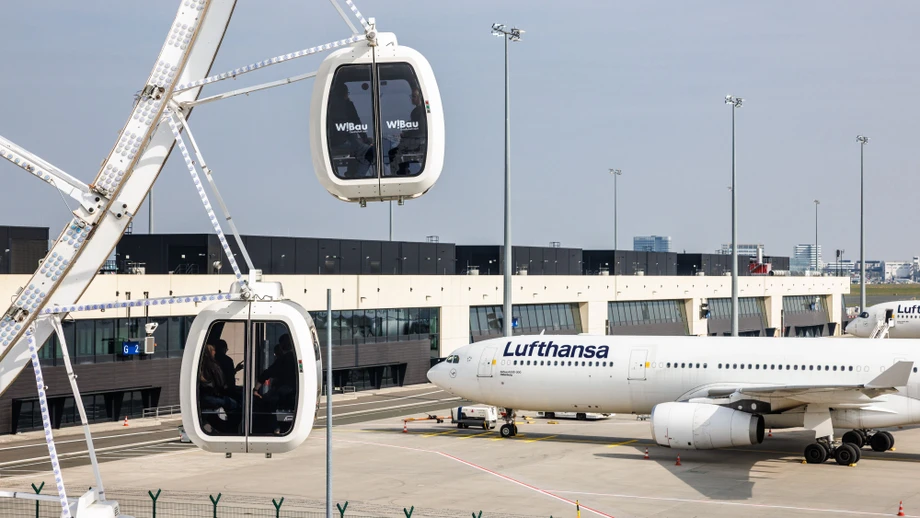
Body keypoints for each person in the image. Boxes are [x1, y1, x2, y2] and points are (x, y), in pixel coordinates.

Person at [253, 334, 298, 435]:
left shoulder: (285, 359)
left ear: (282, 346)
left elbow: (267, 373)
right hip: (295, 391)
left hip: (285, 390)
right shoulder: (297, 357)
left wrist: (255, 389)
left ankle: (274, 427)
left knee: (266, 401)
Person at [327, 81, 375, 178]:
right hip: (344, 142)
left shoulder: (328, 106)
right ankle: (359, 176)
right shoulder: (347, 105)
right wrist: (366, 140)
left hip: (331, 144)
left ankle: (349, 172)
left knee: (356, 147)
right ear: (345, 94)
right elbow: (357, 122)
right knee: (368, 151)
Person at [387, 87, 427, 176]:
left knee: (393, 153)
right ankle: (403, 170)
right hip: (416, 140)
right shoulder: (417, 111)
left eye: (414, 96)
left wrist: (406, 134)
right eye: (411, 96)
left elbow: (419, 129)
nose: (412, 99)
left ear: (420, 97)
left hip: (417, 141)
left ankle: (395, 174)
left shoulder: (419, 111)